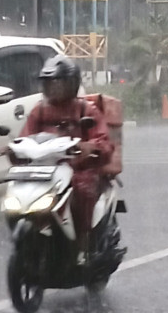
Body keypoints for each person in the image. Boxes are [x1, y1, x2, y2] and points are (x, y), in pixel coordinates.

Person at [18, 55, 115, 263]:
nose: (53, 88)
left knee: (83, 189)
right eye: (49, 83)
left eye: (58, 83)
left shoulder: (86, 110)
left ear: (72, 84)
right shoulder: (39, 111)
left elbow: (104, 141)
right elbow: (24, 138)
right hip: (47, 170)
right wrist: (12, 149)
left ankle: (84, 244)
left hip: (79, 169)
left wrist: (90, 147)